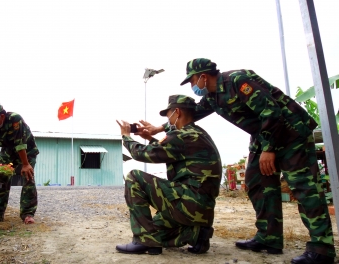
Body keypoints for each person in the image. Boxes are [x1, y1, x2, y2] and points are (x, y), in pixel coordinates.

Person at [145, 58, 335, 264]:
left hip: (290, 132)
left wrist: (269, 149)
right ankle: (269, 237)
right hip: (263, 136)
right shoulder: (213, 97)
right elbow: (193, 113)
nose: (192, 86)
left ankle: (322, 248)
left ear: (203, 76)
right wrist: (160, 128)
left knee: (304, 187)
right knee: (257, 182)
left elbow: (271, 111)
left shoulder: (237, 81)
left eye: (192, 81)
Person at [115, 95, 222, 255]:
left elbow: (142, 154)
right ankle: (197, 234)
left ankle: (143, 240)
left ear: (177, 112)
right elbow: (168, 151)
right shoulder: (196, 134)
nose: (167, 119)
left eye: (168, 114)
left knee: (134, 177)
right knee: (155, 228)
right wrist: (150, 138)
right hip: (200, 208)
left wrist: (126, 136)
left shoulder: (182, 135)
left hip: (189, 203)